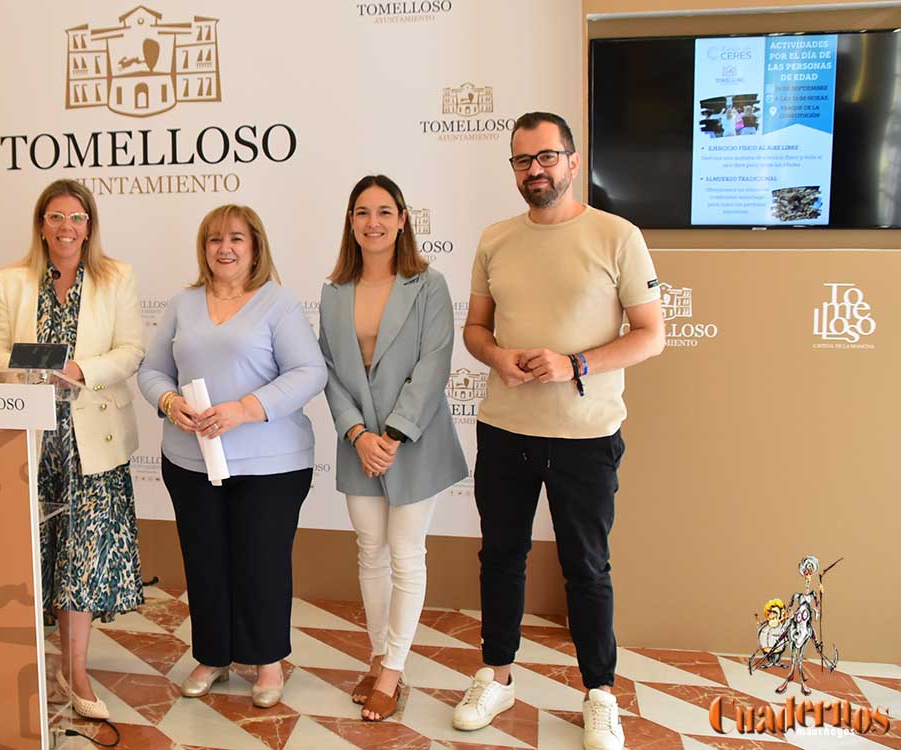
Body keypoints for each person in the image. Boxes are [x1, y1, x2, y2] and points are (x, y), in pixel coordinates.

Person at [452, 112, 664, 750]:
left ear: (572, 160)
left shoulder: (617, 235)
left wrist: (575, 363)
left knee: (587, 568)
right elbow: (475, 331)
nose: (534, 170)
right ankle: (497, 673)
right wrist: (497, 358)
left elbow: (651, 335)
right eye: (522, 161)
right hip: (506, 429)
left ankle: (599, 691)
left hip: (587, 435)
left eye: (546, 157)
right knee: (501, 559)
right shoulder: (494, 239)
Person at [137, 204, 325, 709]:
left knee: (261, 564)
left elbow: (310, 372)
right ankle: (213, 656)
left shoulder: (277, 303)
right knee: (205, 562)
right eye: (215, 239)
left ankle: (267, 663)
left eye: (237, 239)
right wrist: (169, 402)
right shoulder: (183, 302)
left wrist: (246, 408)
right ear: (204, 248)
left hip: (270, 465)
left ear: (255, 246)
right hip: (190, 460)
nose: (225, 248)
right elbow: (151, 371)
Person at [0, 178, 145, 720]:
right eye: (55, 217)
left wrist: (81, 370)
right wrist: (24, 372)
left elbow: (131, 351)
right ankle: (33, 660)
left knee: (82, 559)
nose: (66, 228)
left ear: (89, 225)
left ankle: (74, 669)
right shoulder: (11, 280)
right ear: (41, 225)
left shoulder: (116, 276)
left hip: (92, 443)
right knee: (34, 558)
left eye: (76, 217)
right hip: (29, 441)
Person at [317, 175, 467, 721]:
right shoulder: (333, 293)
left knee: (406, 554)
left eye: (384, 211)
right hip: (359, 444)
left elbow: (434, 366)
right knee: (369, 552)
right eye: (362, 212)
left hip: (414, 443)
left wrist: (394, 435)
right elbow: (330, 372)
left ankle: (394, 670)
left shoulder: (429, 285)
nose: (372, 222)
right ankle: (378, 654)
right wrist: (358, 434)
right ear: (350, 222)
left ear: (403, 219)